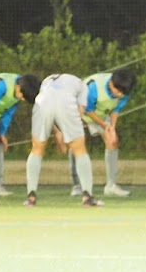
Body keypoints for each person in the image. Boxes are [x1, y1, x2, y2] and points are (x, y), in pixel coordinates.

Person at [24, 71, 104, 207]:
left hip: (42, 102)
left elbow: (50, 106)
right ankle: (87, 196)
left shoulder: (47, 81)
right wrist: (67, 132)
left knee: (36, 149)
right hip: (66, 103)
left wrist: (58, 132)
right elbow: (80, 111)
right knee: (79, 149)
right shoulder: (82, 86)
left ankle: (31, 197)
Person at [69, 69, 136, 197]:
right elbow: (88, 110)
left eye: (123, 93)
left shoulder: (124, 89)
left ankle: (111, 185)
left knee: (112, 142)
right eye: (118, 91)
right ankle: (77, 185)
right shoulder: (93, 87)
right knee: (76, 144)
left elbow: (116, 110)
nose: (120, 95)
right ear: (111, 84)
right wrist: (104, 125)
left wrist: (112, 128)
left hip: (100, 115)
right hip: (80, 111)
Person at [0, 72, 39, 197]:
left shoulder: (20, 90)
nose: (22, 99)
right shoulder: (1, 86)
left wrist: (2, 133)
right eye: (23, 96)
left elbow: (8, 113)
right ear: (18, 87)